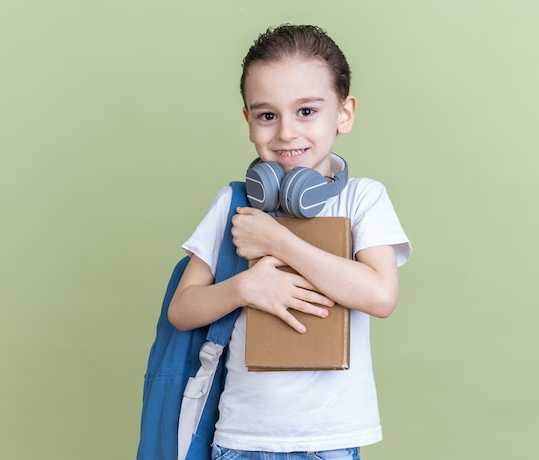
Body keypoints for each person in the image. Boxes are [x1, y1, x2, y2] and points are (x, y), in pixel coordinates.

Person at [168, 24, 412, 460]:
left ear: (344, 112)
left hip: (330, 441)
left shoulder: (363, 198)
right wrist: (244, 288)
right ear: (248, 121)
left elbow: (380, 295)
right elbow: (182, 311)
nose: (285, 133)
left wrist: (278, 241)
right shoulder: (235, 203)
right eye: (267, 115)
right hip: (241, 439)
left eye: (306, 111)